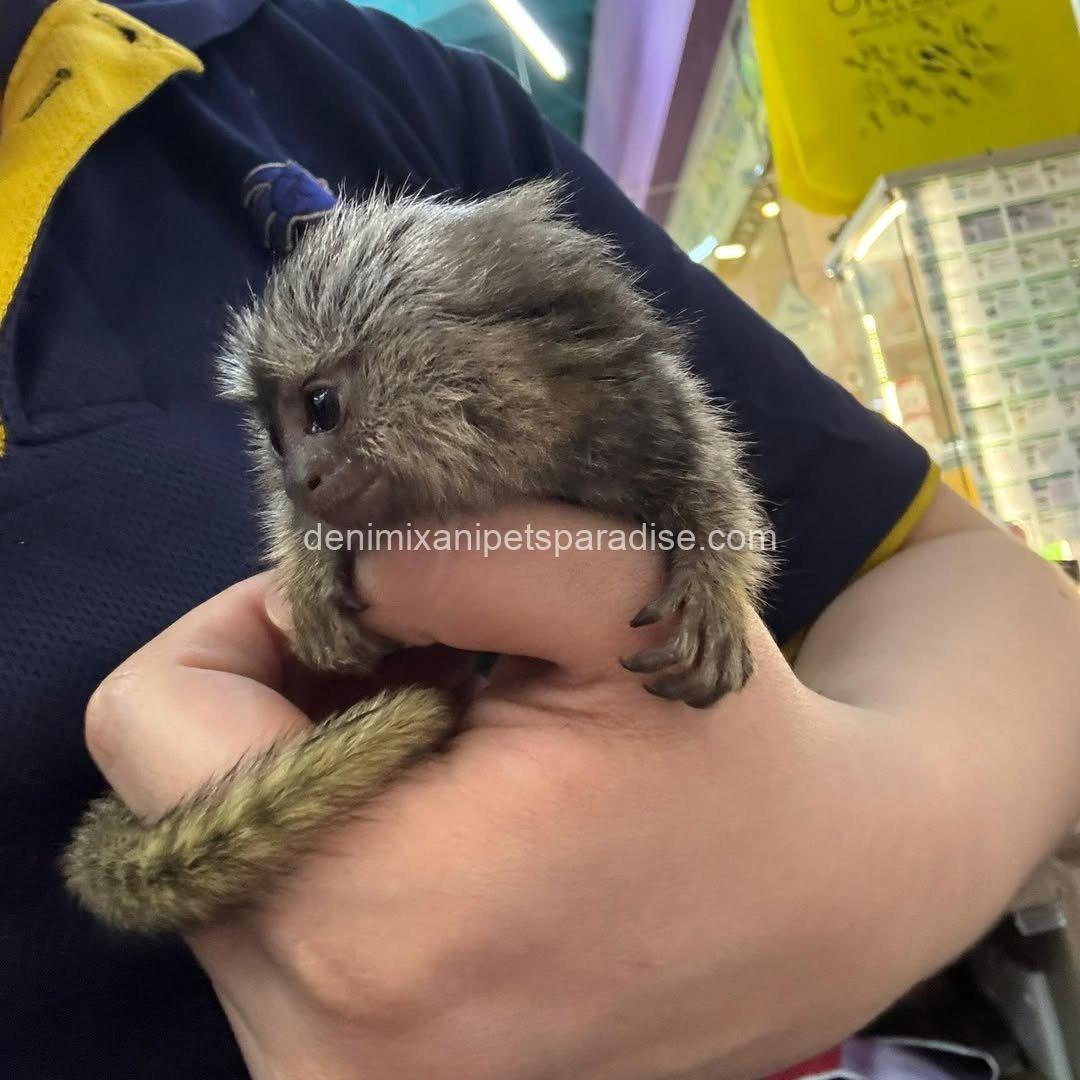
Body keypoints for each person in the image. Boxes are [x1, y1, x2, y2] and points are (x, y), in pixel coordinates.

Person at [1, 1, 1079, 1077]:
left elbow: (945, 572)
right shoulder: (326, 494)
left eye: (321, 414)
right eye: (277, 430)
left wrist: (842, 863)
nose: (304, 471)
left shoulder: (325, 80)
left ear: (510, 345)